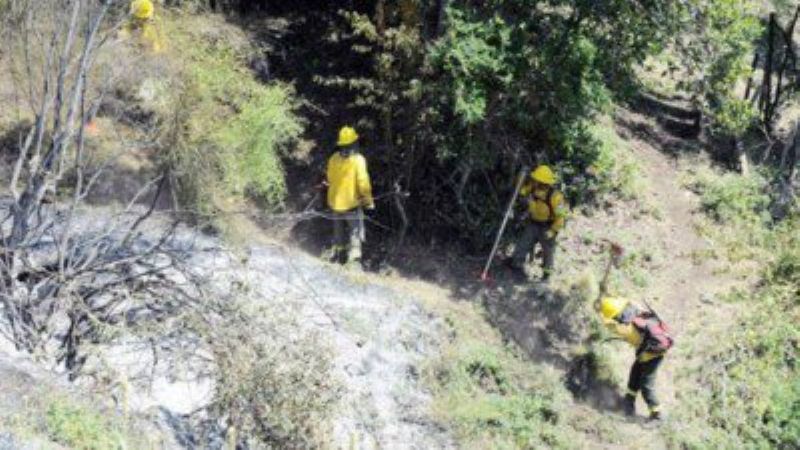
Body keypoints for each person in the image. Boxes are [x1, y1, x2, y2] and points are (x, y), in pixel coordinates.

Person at [598, 296, 673, 421]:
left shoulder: (625, 329)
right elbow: (629, 301)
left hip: (652, 357)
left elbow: (609, 325)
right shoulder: (637, 311)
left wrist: (600, 315)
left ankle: (657, 415)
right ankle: (628, 404)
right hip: (646, 354)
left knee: (646, 386)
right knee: (634, 376)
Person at [325, 126, 375, 266]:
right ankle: (353, 262)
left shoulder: (333, 158)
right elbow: (362, 181)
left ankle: (338, 258)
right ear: (354, 143)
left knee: (338, 233)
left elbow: (329, 177)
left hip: (335, 203)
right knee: (355, 232)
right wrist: (368, 201)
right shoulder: (358, 160)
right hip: (351, 205)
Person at [509, 165, 567, 280]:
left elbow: (561, 217)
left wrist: (553, 231)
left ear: (544, 182)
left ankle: (547, 273)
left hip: (548, 226)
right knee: (523, 243)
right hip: (534, 223)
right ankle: (517, 265)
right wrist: (520, 181)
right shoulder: (533, 187)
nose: (535, 181)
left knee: (548, 251)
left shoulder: (556, 197)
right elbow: (522, 191)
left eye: (537, 180)